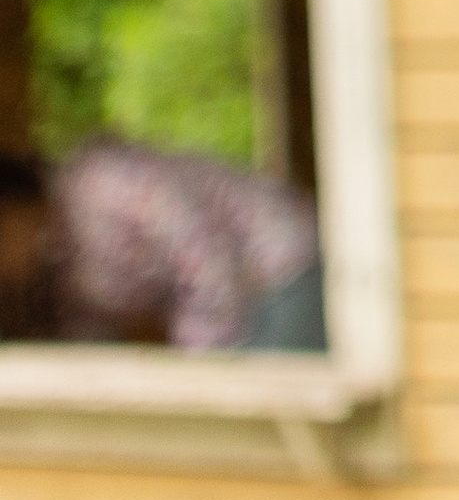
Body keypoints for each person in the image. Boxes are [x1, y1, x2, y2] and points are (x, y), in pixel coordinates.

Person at [0, 137, 323, 349]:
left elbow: (203, 257)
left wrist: (200, 362)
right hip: (228, 316)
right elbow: (93, 342)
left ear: (15, 207)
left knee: (270, 404)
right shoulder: (62, 270)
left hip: (278, 263)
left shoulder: (103, 183)